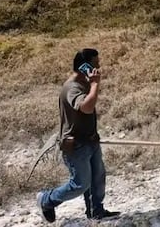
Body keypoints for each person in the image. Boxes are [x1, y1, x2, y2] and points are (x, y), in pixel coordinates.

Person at [37, 48, 120, 222]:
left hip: (90, 140)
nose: (99, 67)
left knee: (97, 178)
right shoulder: (72, 88)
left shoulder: (84, 82)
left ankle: (96, 212)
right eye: (95, 64)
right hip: (76, 146)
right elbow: (86, 108)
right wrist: (96, 84)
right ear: (84, 67)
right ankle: (46, 199)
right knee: (80, 184)